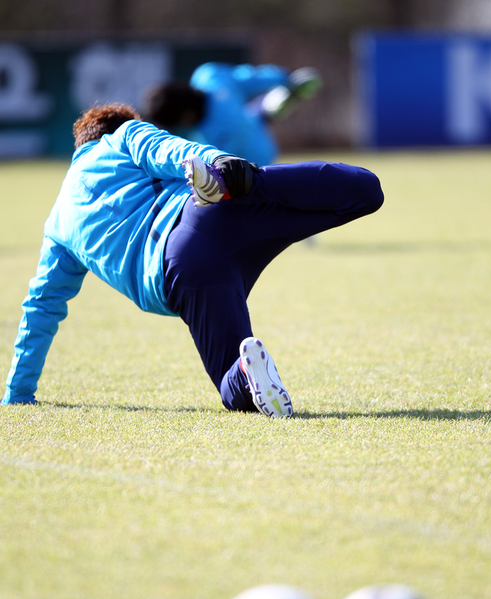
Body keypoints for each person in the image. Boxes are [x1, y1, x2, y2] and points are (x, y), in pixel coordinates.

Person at [1, 103, 384, 417]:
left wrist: (17, 392)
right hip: (210, 216)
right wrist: (219, 162)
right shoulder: (123, 136)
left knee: (231, 385)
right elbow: (169, 151)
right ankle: (251, 181)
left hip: (180, 276)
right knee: (363, 193)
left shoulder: (57, 226)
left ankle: (248, 372)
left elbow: (41, 307)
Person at [142, 63, 323, 167]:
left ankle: (272, 105)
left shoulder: (207, 142)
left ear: (184, 117)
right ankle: (277, 98)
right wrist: (284, 77)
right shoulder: (209, 75)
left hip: (259, 162)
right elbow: (252, 78)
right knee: (255, 114)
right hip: (253, 126)